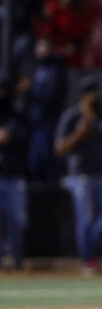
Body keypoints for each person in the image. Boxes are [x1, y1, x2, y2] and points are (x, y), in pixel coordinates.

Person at [54, 76, 102, 277]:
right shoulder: (71, 117)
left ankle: (91, 249)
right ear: (83, 96)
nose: (96, 97)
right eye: (92, 93)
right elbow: (59, 148)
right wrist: (79, 133)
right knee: (85, 220)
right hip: (80, 175)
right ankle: (89, 260)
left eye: (97, 93)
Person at [26, 38, 68, 184]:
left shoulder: (56, 69)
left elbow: (51, 95)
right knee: (34, 163)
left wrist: (30, 90)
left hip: (48, 122)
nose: (40, 49)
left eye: (44, 46)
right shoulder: (36, 67)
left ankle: (53, 195)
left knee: (46, 160)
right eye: (39, 46)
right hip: (34, 122)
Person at [0, 77, 29, 270]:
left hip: (15, 175)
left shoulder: (16, 116)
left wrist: (10, 136)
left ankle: (17, 257)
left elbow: (25, 139)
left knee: (18, 219)